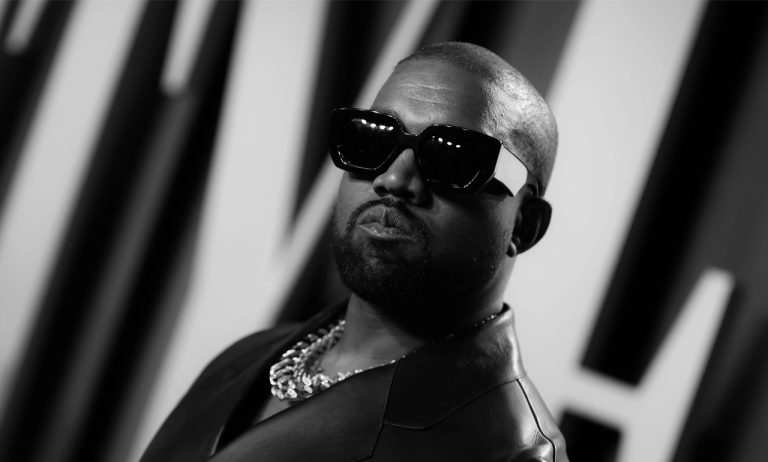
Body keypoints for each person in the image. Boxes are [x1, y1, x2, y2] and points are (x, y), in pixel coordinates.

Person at [140, 42, 568, 462]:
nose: (393, 179)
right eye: (371, 139)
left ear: (524, 224)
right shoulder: (243, 360)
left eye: (451, 159)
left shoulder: (513, 453)